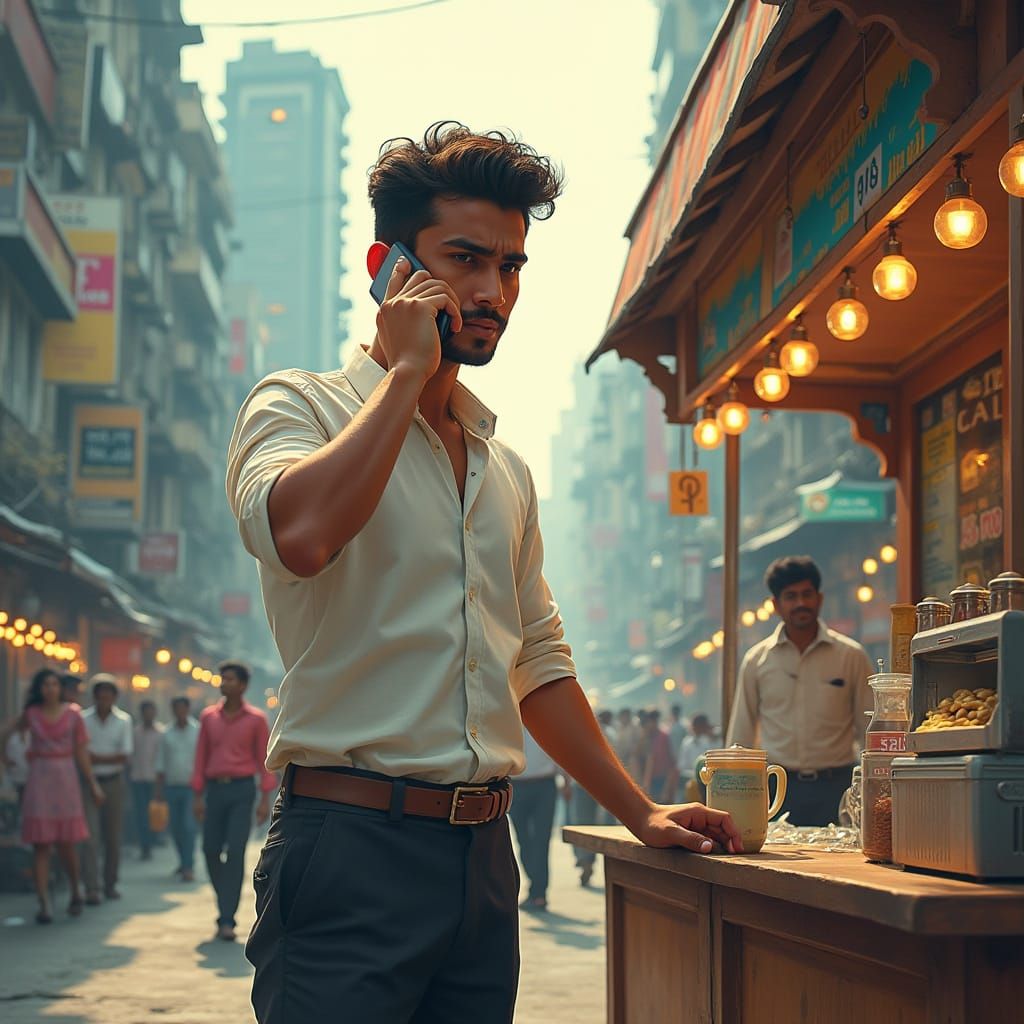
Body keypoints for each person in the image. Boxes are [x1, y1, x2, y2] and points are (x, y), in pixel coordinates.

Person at [226, 122, 739, 1024]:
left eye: (511, 267)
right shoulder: (297, 404)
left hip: (482, 861)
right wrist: (405, 376)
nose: (493, 290)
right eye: (465, 259)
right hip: (346, 847)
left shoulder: (504, 471)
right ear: (390, 267)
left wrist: (640, 811)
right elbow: (300, 535)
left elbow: (537, 661)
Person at [726, 555, 874, 826]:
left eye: (807, 594)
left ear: (819, 598)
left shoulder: (851, 656)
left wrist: (875, 790)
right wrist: (733, 802)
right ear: (776, 605)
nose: (801, 603)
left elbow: (870, 729)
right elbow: (741, 736)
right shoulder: (757, 660)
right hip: (776, 789)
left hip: (839, 789)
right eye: (791, 596)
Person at [0, 668, 103, 923]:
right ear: (39, 689)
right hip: (39, 781)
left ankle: (75, 889)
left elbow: (81, 752)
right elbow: (5, 733)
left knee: (67, 843)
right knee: (41, 845)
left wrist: (92, 783)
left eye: (54, 684)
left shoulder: (73, 715)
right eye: (45, 684)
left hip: (65, 780)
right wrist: (5, 760)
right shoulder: (31, 714)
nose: (50, 689)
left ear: (60, 688)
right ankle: (44, 901)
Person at [191, 662, 276, 942]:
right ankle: (225, 896)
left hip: (242, 791)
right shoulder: (208, 718)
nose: (223, 683)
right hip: (215, 790)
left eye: (229, 679)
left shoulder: (256, 719)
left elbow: (264, 762)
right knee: (209, 849)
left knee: (236, 851)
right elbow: (201, 756)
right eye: (222, 678)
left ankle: (226, 917)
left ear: (242, 685)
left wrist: (265, 799)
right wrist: (197, 794)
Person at [81, 675, 133, 902]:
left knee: (113, 836)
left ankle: (110, 883)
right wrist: (101, 759)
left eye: (107, 697)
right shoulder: (83, 720)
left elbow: (124, 755)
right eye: (100, 697)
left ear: (114, 698)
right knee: (90, 838)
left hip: (114, 782)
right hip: (89, 781)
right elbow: (82, 755)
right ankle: (92, 887)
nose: (104, 701)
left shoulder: (123, 720)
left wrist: (96, 757)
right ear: (94, 697)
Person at [509, 728, 559, 911]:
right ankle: (535, 882)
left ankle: (539, 893)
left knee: (542, 840)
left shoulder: (546, 715)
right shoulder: (508, 714)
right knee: (523, 840)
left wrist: (567, 781)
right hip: (517, 785)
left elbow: (561, 748)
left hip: (545, 785)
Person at [155, 696, 200, 881]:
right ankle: (182, 861)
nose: (180, 712)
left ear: (188, 709)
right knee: (175, 827)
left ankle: (189, 865)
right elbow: (160, 763)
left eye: (183, 708)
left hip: (191, 787)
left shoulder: (198, 731)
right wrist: (158, 790)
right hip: (171, 786)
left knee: (188, 826)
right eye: (176, 709)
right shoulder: (166, 733)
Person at [130, 700, 164, 861]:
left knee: (155, 813)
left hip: (154, 778)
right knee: (141, 814)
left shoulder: (161, 733)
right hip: (138, 778)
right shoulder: (135, 732)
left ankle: (156, 838)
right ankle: (145, 845)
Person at [678, 714, 719, 803]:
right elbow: (682, 766)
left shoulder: (714, 741)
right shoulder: (687, 743)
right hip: (693, 782)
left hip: (713, 783)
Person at [641, 709, 678, 803]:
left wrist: (668, 786)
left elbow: (671, 762)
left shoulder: (664, 737)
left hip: (663, 779)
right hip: (652, 780)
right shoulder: (647, 737)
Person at [612, 707, 643, 781]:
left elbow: (639, 743)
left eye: (624, 716)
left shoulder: (635, 728)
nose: (622, 718)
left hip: (632, 761)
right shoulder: (619, 728)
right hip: (621, 761)